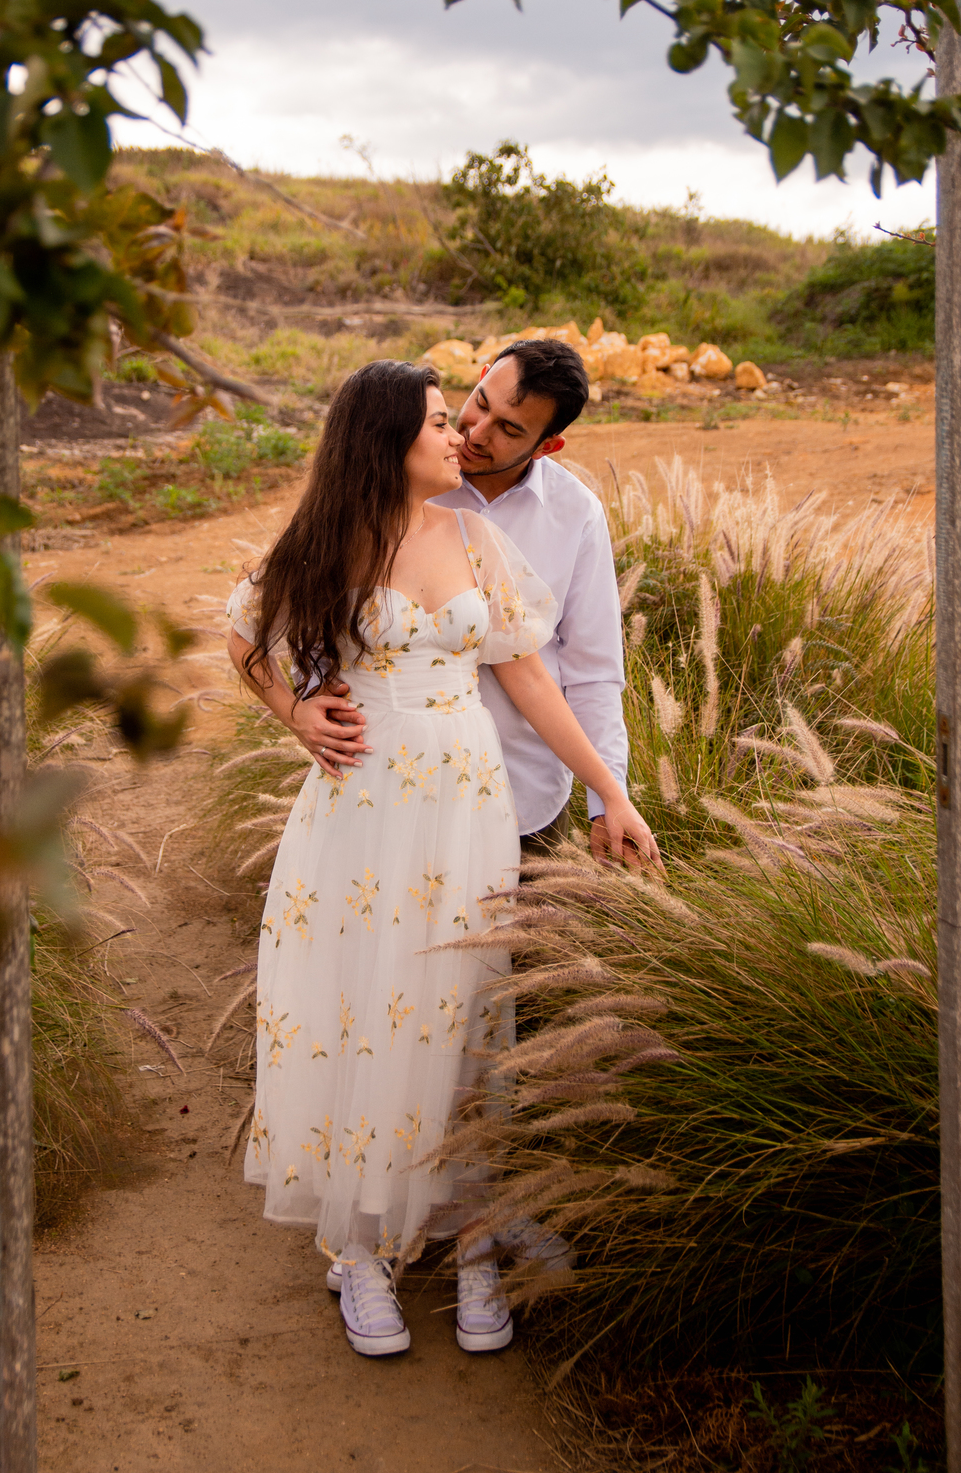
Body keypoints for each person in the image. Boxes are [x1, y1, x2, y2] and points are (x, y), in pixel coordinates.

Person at [226, 360, 660, 1361]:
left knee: (465, 1010)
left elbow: (537, 680)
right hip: (363, 806)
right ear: (387, 440)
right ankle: (365, 1251)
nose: (457, 435)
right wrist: (297, 715)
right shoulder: (330, 537)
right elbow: (245, 639)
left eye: (463, 422)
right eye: (439, 420)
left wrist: (616, 793)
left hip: (468, 805)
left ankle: (471, 1245)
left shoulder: (475, 535)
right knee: (368, 1007)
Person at [311, 339, 630, 862]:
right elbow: (319, 609)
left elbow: (592, 672)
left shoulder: (577, 516)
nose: (475, 434)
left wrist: (607, 798)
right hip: (391, 784)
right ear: (481, 375)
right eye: (481, 402)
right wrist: (305, 706)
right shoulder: (404, 479)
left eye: (510, 429)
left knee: (517, 946)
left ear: (548, 446)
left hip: (526, 794)